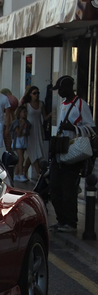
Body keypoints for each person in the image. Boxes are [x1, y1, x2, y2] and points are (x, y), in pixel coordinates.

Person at [49, 75, 95, 233]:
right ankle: (61, 219)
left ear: (68, 87)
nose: (59, 92)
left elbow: (91, 129)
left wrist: (73, 128)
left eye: (60, 89)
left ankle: (70, 222)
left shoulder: (81, 104)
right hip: (60, 152)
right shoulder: (62, 104)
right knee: (54, 187)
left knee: (69, 189)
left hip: (73, 152)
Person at [22, 85, 50, 179]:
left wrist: (52, 113)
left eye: (38, 93)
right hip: (30, 130)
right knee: (32, 151)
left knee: (34, 152)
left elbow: (44, 117)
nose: (36, 95)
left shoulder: (41, 104)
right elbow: (22, 117)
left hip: (38, 129)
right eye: (34, 93)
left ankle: (24, 172)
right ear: (30, 94)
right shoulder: (26, 105)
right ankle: (38, 173)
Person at [10, 105, 31, 182]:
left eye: (26, 112)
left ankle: (16, 174)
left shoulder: (27, 123)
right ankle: (21, 174)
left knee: (21, 159)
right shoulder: (16, 122)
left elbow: (28, 132)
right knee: (21, 158)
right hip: (17, 142)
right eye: (23, 112)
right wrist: (22, 125)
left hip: (24, 142)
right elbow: (18, 133)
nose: (25, 114)